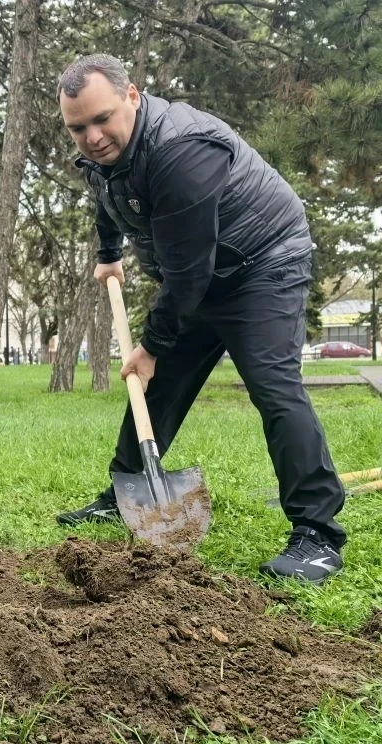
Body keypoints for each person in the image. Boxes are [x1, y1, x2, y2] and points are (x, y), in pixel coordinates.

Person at [54, 54, 346, 584]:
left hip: (262, 264)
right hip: (202, 273)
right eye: (78, 128)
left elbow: (187, 274)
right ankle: (126, 491)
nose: (92, 137)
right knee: (157, 384)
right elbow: (107, 189)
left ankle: (317, 536)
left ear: (132, 96)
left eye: (102, 119)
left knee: (274, 388)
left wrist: (151, 346)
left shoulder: (181, 150)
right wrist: (108, 252)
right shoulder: (106, 152)